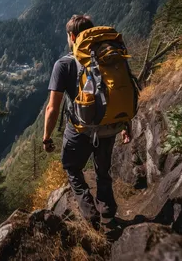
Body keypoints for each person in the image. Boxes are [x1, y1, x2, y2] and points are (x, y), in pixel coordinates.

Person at [42, 14, 131, 230]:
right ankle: (108, 217)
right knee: (103, 172)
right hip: (110, 126)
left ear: (72, 36)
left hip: (79, 129)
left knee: (72, 168)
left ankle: (91, 216)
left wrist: (46, 136)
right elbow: (122, 91)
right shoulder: (109, 57)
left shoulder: (63, 64)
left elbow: (52, 108)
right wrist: (125, 124)